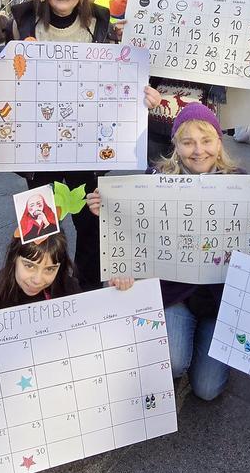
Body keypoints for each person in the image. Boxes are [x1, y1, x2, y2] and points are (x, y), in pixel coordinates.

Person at [87, 103, 239, 401]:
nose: (198, 150)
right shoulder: (154, 179)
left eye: (206, 140)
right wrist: (108, 211)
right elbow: (133, 228)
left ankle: (211, 348)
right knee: (173, 362)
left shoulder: (240, 182)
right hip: (173, 293)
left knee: (207, 390)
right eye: (188, 142)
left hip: (218, 300)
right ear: (175, 145)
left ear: (219, 142)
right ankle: (181, 342)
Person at [0, 0, 116, 287]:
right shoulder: (22, 21)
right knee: (40, 230)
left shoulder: (100, 23)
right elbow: (6, 76)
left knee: (91, 226)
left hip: (85, 147)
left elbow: (115, 75)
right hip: (39, 147)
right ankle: (43, 292)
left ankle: (87, 291)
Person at [0, 231, 133, 328]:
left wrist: (115, 290)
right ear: (14, 260)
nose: (38, 279)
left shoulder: (67, 287)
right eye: (29, 266)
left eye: (49, 269)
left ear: (60, 268)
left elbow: (93, 321)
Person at [143, 0, 218, 159]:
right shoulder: (146, 13)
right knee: (156, 183)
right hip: (156, 123)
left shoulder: (212, 13)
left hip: (197, 126)